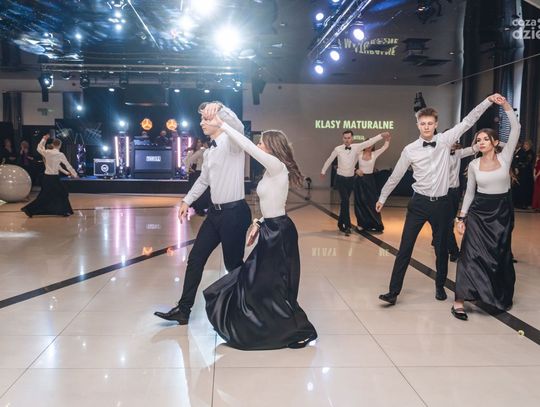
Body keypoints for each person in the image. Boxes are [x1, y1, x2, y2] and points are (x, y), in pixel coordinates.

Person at [201, 102, 317, 350]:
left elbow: (247, 147)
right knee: (262, 283)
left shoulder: (277, 166)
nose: (260, 146)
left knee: (263, 282)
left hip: (279, 233)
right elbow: (274, 203)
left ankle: (300, 329)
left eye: (263, 143)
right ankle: (272, 327)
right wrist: (258, 222)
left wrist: (223, 125)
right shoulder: (269, 171)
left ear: (272, 147)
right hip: (271, 228)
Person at [377, 94, 499, 305]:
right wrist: (383, 196)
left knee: (442, 249)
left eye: (430, 123)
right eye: (423, 123)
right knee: (405, 248)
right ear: (418, 125)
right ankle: (393, 292)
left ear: (436, 124)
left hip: (442, 204)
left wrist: (488, 101)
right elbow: (396, 175)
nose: (426, 127)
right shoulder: (409, 150)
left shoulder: (445, 140)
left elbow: (468, 121)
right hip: (418, 204)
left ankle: (440, 286)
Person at [154, 101, 251, 325]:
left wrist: (220, 108)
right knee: (196, 259)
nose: (201, 123)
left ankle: (244, 310)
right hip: (215, 215)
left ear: (219, 121)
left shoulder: (232, 142)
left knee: (233, 265)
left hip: (234, 213)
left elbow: (238, 127)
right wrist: (186, 201)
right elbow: (203, 181)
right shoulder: (209, 151)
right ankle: (183, 310)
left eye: (206, 119)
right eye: (201, 119)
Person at [452, 96, 519, 320]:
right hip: (478, 213)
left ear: (495, 142)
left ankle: (493, 295)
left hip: (501, 213)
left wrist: (505, 105)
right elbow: (470, 193)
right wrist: (461, 218)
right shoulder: (473, 164)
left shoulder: (505, 157)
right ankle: (459, 301)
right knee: (469, 255)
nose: (481, 142)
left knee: (497, 256)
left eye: (485, 139)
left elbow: (516, 128)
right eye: (478, 140)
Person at [321, 130, 391, 235]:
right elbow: (331, 159)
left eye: (349, 138)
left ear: (352, 138)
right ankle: (348, 226)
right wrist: (323, 171)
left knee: (346, 202)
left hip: (355, 180)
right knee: (347, 201)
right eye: (345, 138)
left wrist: (382, 136)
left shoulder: (357, 148)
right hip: (343, 179)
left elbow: (371, 142)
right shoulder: (340, 149)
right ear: (342, 138)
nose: (347, 140)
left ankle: (341, 223)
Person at [21, 135, 78, 217]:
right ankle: (29, 209)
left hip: (47, 178)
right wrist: (75, 174)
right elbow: (68, 165)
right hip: (54, 178)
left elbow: (39, 148)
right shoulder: (60, 154)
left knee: (55, 194)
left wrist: (43, 139)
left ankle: (63, 211)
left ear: (53, 145)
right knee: (60, 193)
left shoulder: (47, 152)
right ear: (60, 145)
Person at [445, 142, 479, 261]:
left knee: (449, 221)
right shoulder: (439, 155)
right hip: (444, 192)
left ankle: (442, 242)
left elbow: (474, 149)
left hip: (455, 193)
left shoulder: (458, 153)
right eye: (452, 141)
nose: (455, 143)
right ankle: (454, 251)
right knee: (447, 223)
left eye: (455, 141)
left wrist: (492, 140)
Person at [354, 138, 390, 233]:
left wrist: (387, 139)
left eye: (371, 144)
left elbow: (385, 147)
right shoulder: (359, 153)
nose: (369, 145)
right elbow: (349, 163)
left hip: (370, 180)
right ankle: (361, 224)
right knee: (359, 202)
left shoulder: (375, 154)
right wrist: (356, 170)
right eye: (368, 143)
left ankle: (375, 224)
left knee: (372, 202)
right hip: (360, 180)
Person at [185, 139, 209, 216]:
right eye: (198, 142)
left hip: (202, 172)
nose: (199, 143)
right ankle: (197, 208)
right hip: (198, 173)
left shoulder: (205, 151)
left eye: (200, 142)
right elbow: (188, 161)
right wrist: (188, 169)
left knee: (202, 192)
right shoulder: (199, 152)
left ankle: (198, 208)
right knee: (197, 191)